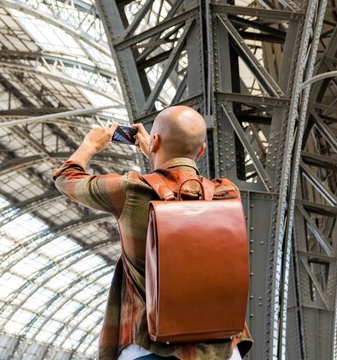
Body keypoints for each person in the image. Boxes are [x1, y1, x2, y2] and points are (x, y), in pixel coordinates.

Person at [53, 105, 252, 360]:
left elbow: (66, 178)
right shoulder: (227, 193)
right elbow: (185, 187)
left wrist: (90, 145)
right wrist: (158, 152)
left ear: (154, 141)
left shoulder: (131, 190)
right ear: (201, 150)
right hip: (223, 351)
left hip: (149, 349)